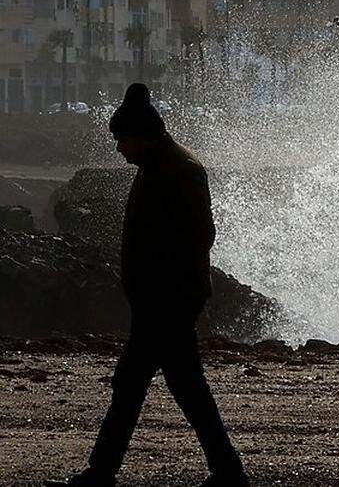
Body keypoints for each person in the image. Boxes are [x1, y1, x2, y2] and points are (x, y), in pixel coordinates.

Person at [49, 84, 247, 487]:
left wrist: (163, 277)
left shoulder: (181, 170)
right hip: (158, 302)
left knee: (137, 387)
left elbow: (201, 235)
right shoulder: (156, 167)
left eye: (123, 140)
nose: (120, 149)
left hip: (169, 303)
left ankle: (103, 472)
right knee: (170, 388)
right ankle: (226, 472)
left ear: (142, 136)